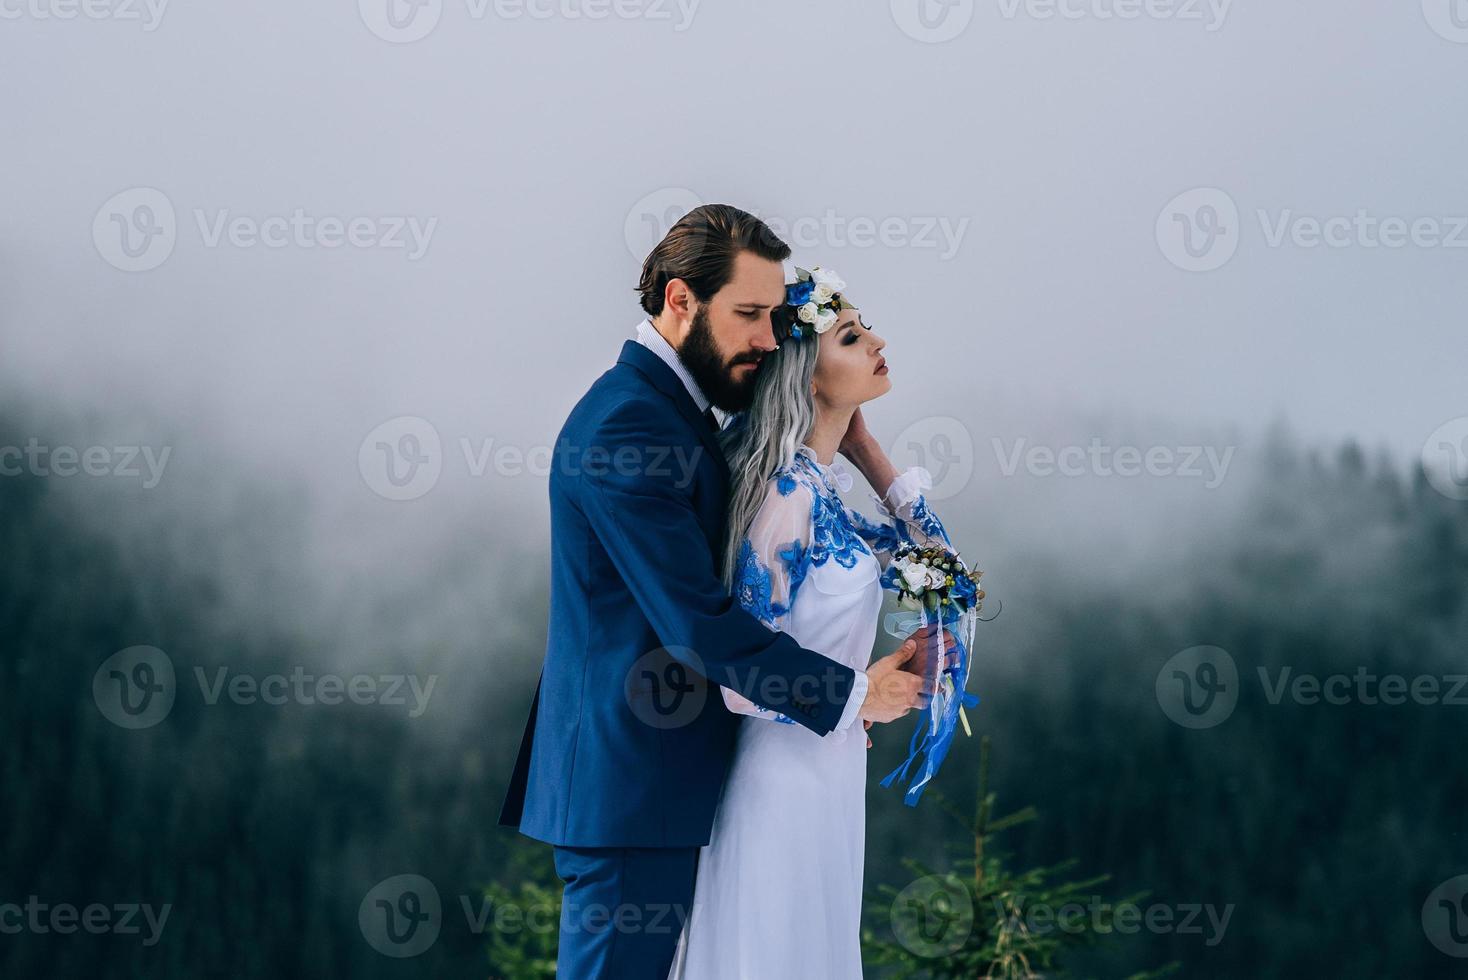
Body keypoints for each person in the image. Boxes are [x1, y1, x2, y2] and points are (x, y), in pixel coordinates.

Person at [497, 204, 934, 979]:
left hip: (662, 783)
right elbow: (698, 625)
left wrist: (861, 447)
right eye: (750, 315)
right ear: (679, 301)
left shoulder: (673, 412)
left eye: (773, 318)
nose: (768, 341)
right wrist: (848, 697)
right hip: (630, 785)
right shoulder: (627, 427)